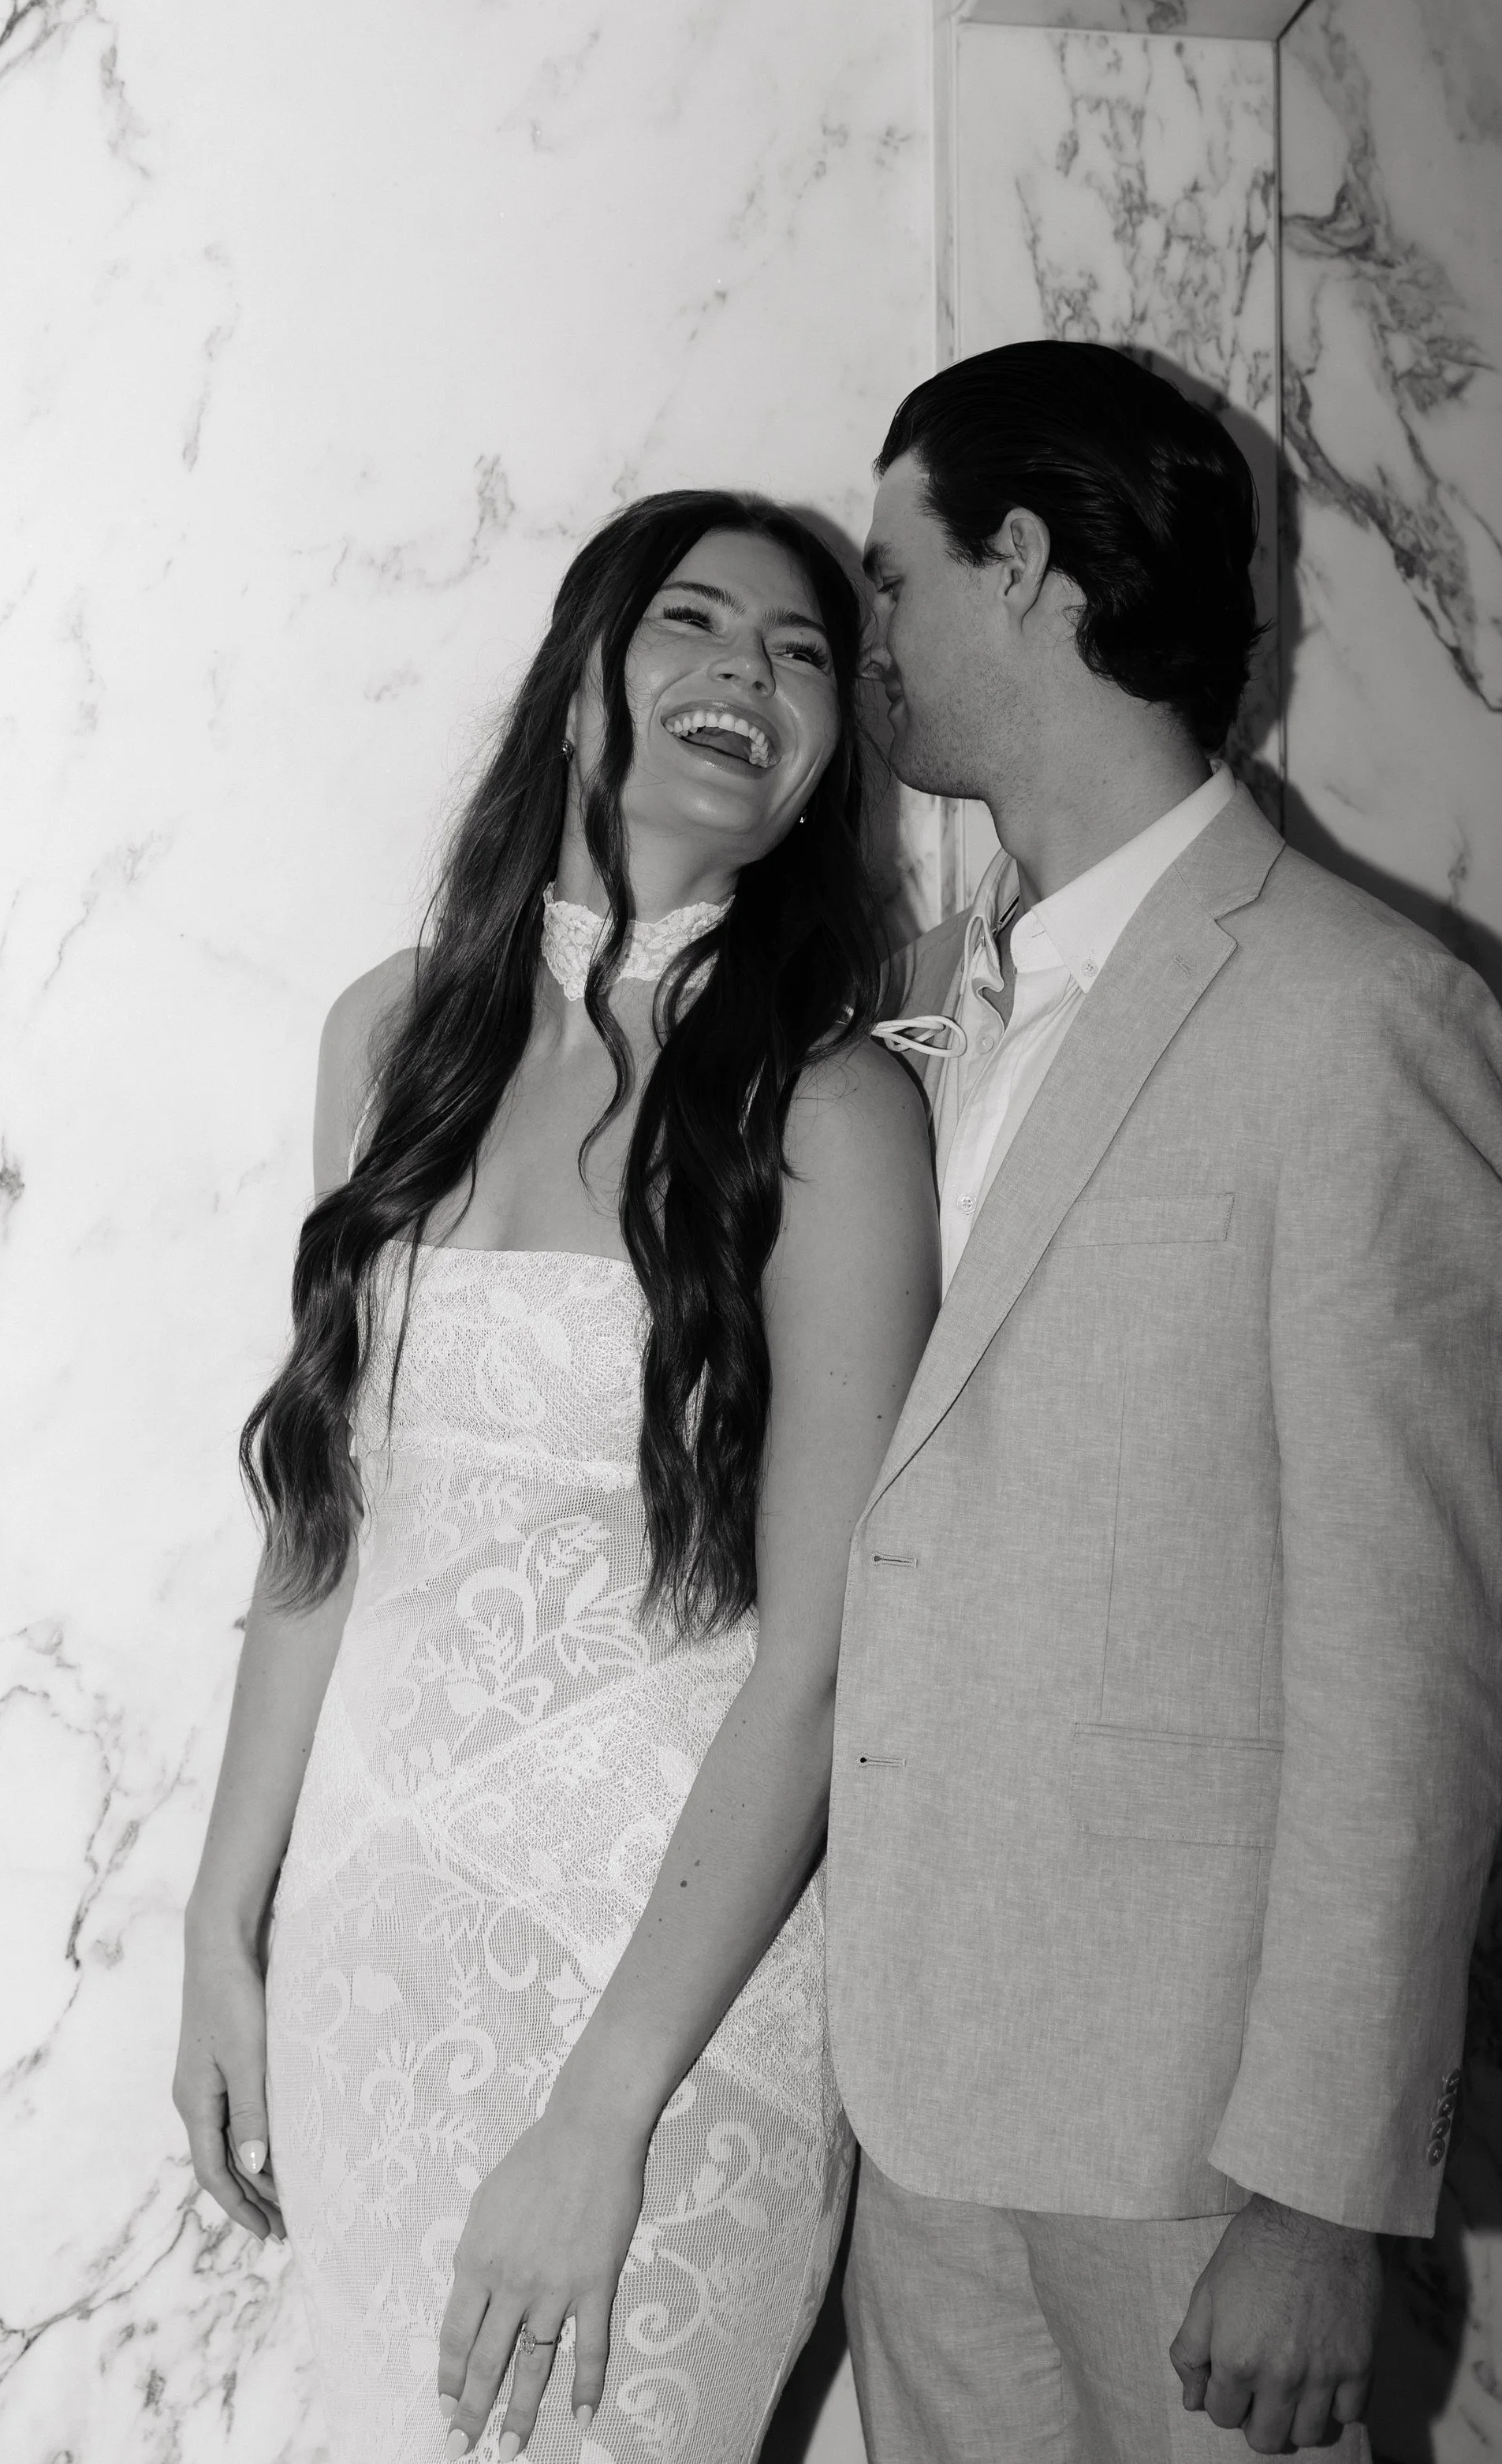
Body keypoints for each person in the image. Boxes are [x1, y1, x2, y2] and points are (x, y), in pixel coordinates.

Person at [833, 341, 1502, 2462]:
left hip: (1192, 2149)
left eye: (888, 575)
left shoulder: (1360, 1012)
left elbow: (1414, 1648)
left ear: (1022, 564)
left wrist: (1324, 2183)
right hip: (915, 2097)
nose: (863, 630)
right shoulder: (936, 1010)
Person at [173, 490, 938, 2464]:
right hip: (375, 1932)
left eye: (796, 658)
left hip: (676, 1991)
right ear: (580, 690)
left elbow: (817, 1668)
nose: (744, 678)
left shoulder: (835, 1113)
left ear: (816, 775)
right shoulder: (388, 1033)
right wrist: (221, 1922)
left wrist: (605, 2113)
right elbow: (321, 1524)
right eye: (690, 622)